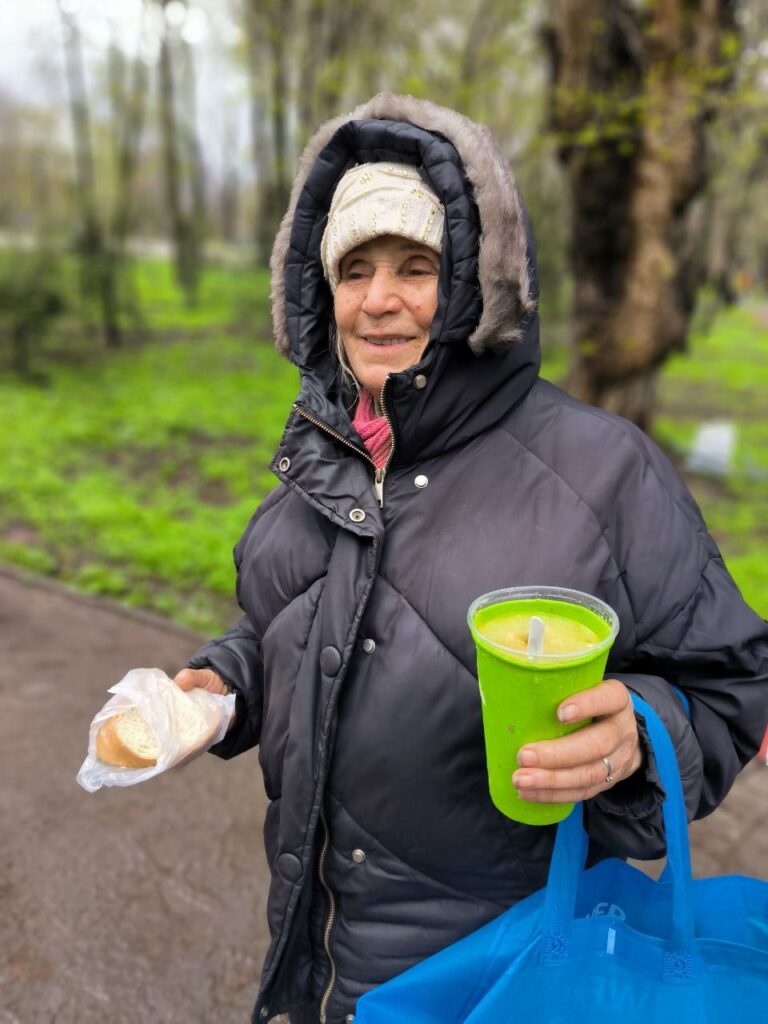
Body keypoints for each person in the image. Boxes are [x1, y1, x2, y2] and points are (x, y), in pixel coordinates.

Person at [172, 93, 768, 1024]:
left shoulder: (604, 472)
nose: (379, 299)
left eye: (415, 266)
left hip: (505, 977)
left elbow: (734, 684)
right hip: (321, 964)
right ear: (319, 290)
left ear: (468, 286)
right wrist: (220, 683)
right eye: (354, 268)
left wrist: (641, 737)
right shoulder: (318, 460)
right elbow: (291, 621)